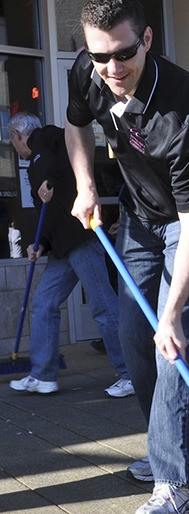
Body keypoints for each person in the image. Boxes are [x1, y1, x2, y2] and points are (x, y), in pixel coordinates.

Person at [64, 0, 189, 514]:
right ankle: (173, 446)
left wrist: (173, 311)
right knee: (134, 337)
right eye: (100, 56)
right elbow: (76, 125)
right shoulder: (87, 71)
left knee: (173, 333)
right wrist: (86, 184)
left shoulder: (180, 109)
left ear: (148, 40)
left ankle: (174, 481)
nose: (112, 68)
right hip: (140, 217)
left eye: (124, 54)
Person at [7, 112, 133, 399]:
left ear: (17, 135)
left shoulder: (48, 137)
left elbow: (68, 159)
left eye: (12, 140)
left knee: (102, 305)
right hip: (63, 247)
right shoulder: (36, 161)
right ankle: (43, 376)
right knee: (43, 305)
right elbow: (48, 211)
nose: (14, 146)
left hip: (81, 238)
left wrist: (49, 178)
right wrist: (40, 244)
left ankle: (131, 373)